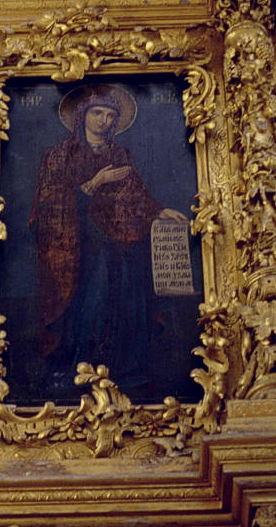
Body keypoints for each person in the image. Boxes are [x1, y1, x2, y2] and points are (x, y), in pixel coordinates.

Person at [30, 85, 186, 389]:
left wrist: (159, 210)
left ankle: (123, 370)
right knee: (93, 299)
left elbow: (136, 195)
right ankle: (80, 364)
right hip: (78, 246)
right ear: (83, 116)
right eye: (98, 113)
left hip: (121, 243)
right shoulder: (59, 155)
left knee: (126, 298)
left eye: (111, 115)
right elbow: (49, 204)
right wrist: (96, 182)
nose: (104, 120)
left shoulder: (120, 154)